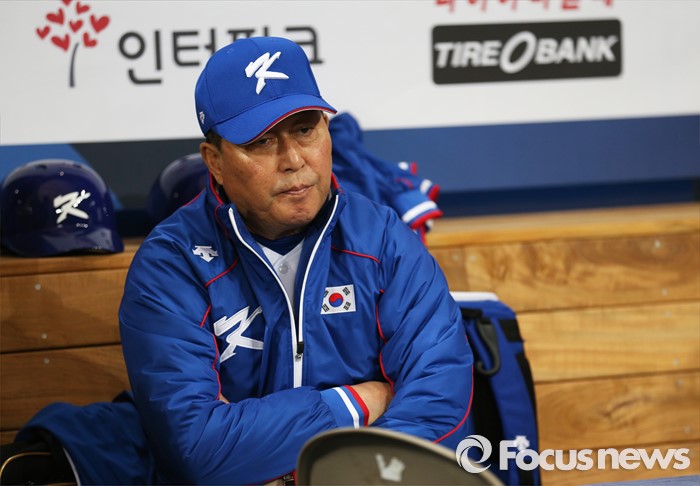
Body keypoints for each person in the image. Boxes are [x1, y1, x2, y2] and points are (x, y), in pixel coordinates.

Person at [118, 36, 473, 484]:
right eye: (262, 141)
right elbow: (199, 448)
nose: (292, 160)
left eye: (305, 130)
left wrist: (347, 475)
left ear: (327, 129)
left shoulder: (383, 240)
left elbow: (438, 402)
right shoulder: (171, 264)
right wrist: (356, 404)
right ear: (215, 162)